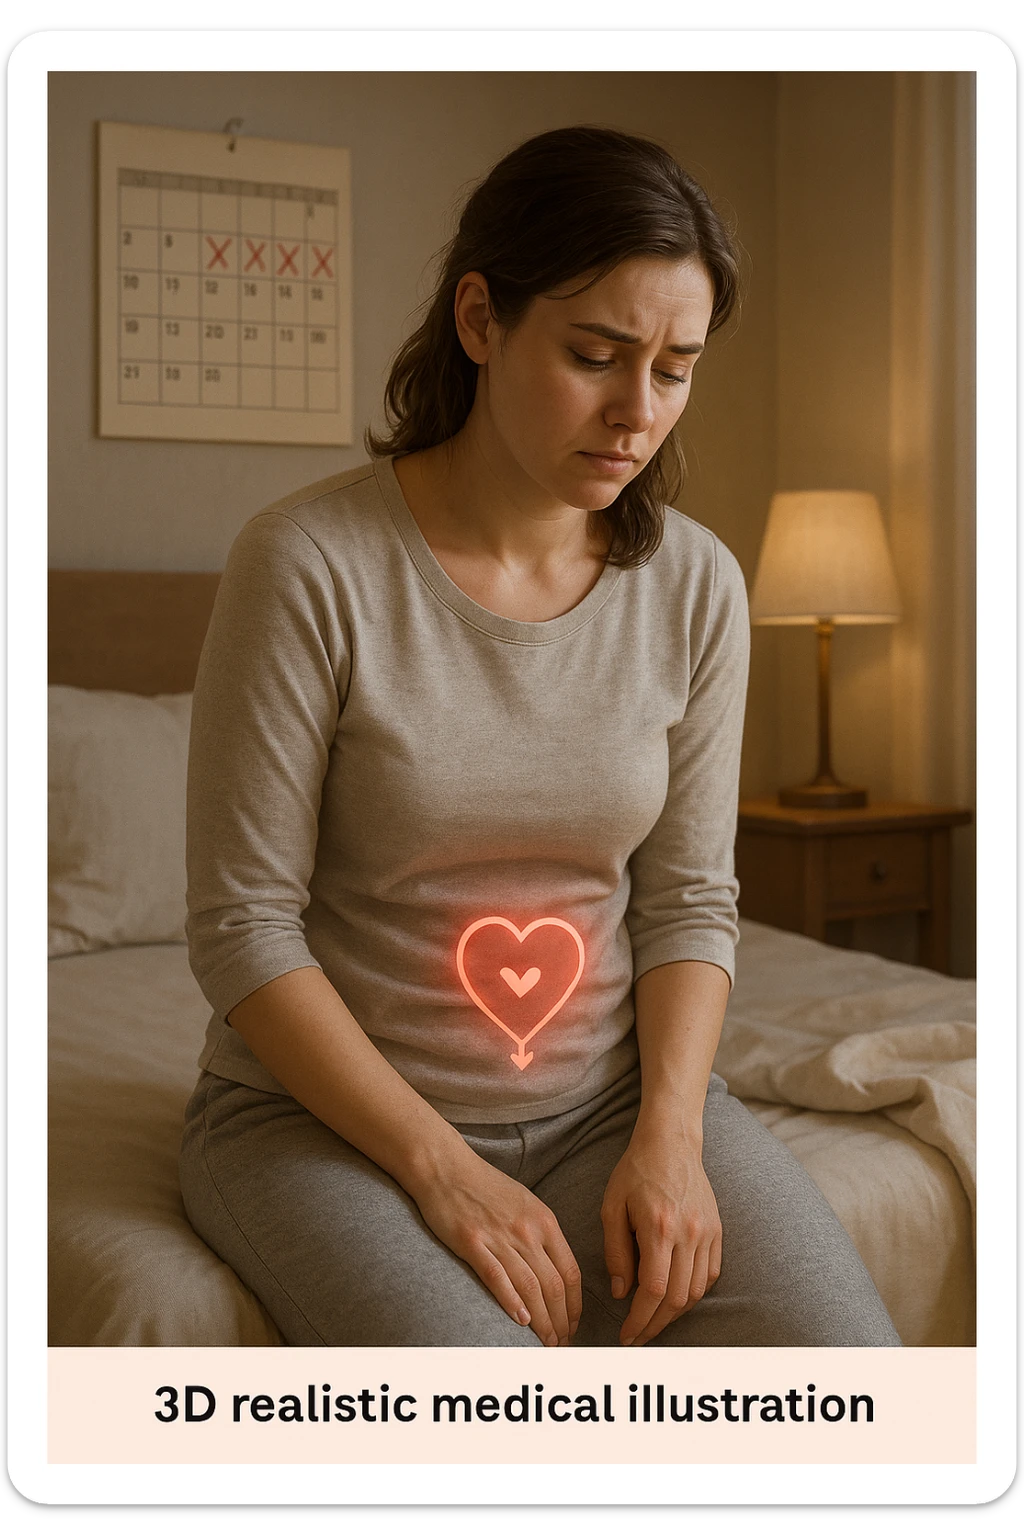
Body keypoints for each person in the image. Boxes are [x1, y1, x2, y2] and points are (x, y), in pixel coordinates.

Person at [179, 125, 901, 1349]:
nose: (636, 413)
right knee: (504, 1425)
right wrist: (444, 1173)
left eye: (674, 369)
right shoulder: (307, 564)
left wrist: (671, 1137)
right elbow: (241, 927)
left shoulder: (696, 584)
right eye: (594, 356)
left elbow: (688, 899)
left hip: (609, 1110)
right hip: (324, 1131)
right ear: (480, 319)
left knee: (856, 1384)